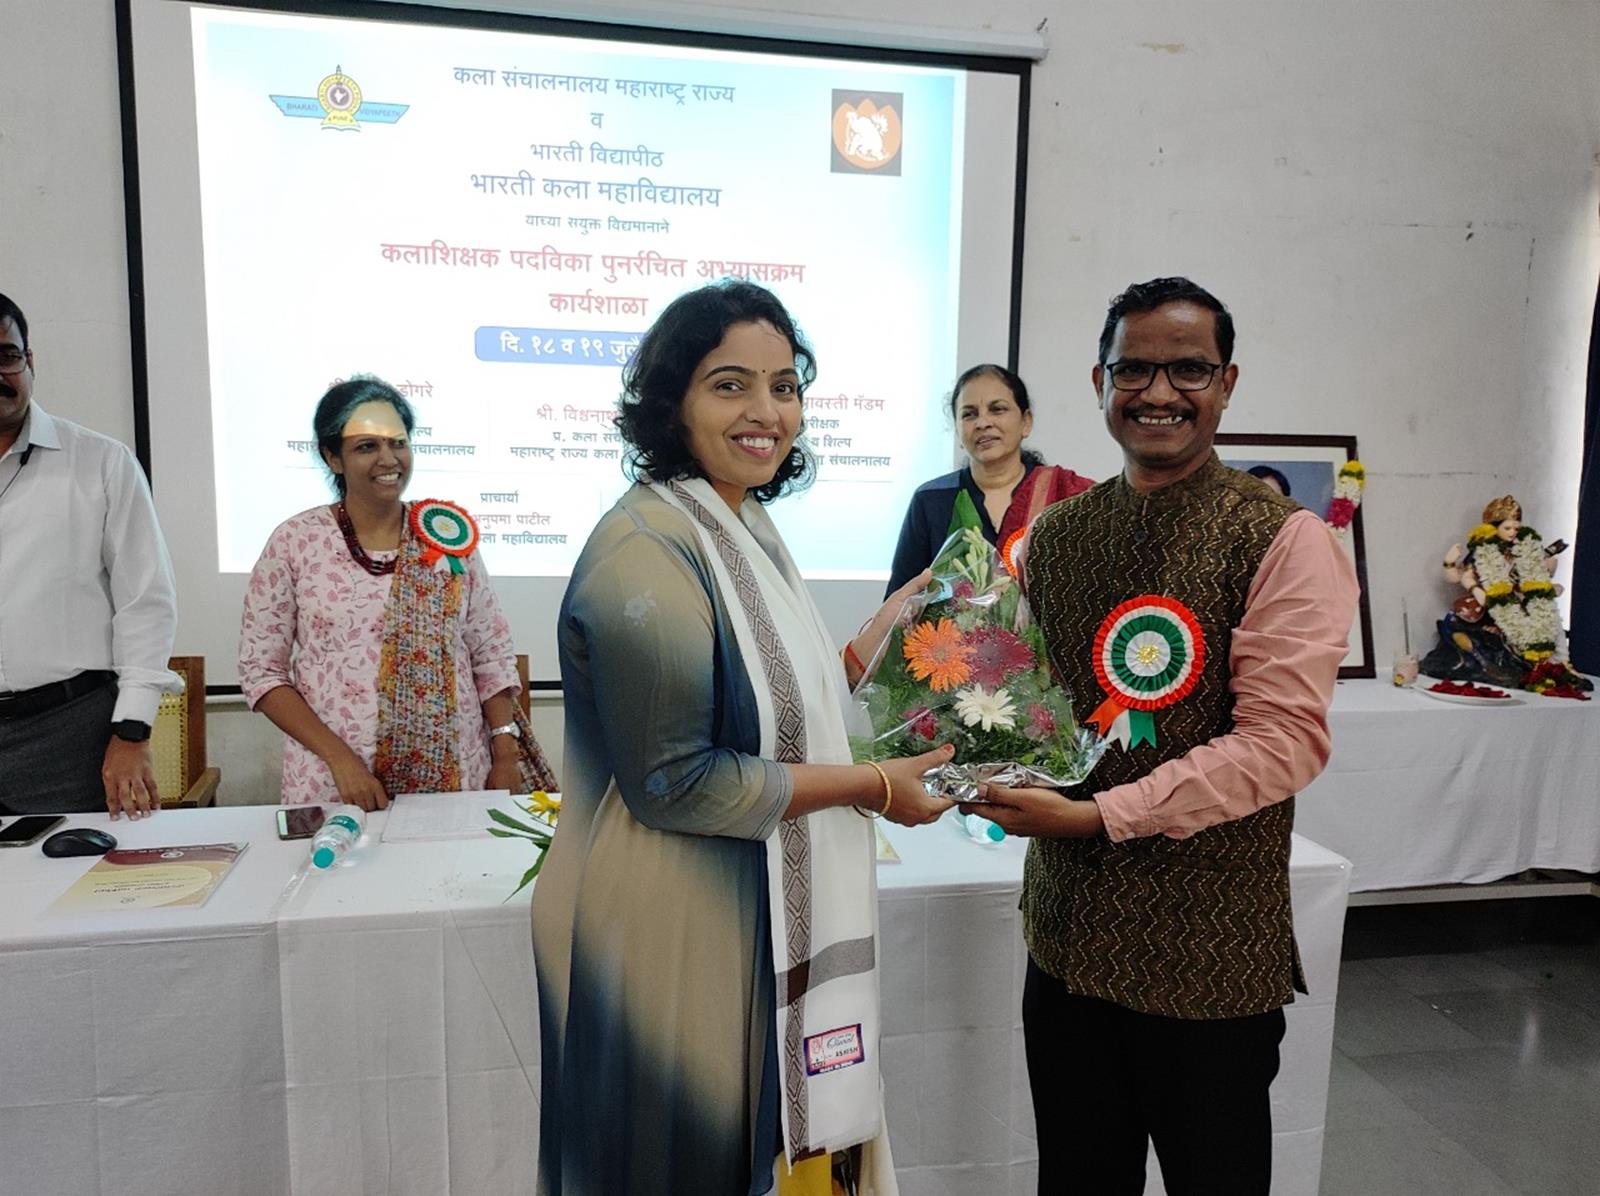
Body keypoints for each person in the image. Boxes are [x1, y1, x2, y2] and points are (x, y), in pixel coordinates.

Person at [532, 280, 953, 1196]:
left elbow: (759, 706)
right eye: (731, 385)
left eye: (784, 385)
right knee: (684, 1156)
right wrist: (874, 784)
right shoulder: (647, 546)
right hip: (673, 914)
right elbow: (676, 782)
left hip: (742, 884)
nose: (767, 412)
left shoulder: (736, 518)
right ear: (671, 402)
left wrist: (864, 648)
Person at [961, 277, 1358, 1194]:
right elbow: (1029, 707)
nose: (1158, 392)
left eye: (1189, 370)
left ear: (1228, 382)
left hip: (1208, 952)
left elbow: (1282, 742)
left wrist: (1100, 816)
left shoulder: (1283, 539)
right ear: (1099, 381)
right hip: (1066, 939)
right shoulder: (1054, 536)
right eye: (1133, 369)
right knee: (1077, 1178)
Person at [238, 377, 554, 809]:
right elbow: (262, 672)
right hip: (335, 783)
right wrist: (340, 759)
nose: (388, 459)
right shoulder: (295, 542)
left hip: (457, 778)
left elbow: (490, 654)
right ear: (332, 457)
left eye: (398, 443)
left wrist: (504, 753)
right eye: (367, 446)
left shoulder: (443, 535)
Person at [0, 291, 178, 819]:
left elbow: (146, 603)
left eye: (6, 356)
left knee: (81, 870)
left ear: (29, 361)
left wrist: (132, 730)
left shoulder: (102, 463)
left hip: (68, 732)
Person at [885, 363, 1092, 594]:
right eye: (969, 414)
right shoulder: (931, 500)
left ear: (1026, 422)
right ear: (958, 431)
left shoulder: (1067, 495)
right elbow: (900, 600)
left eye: (997, 409)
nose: (983, 423)